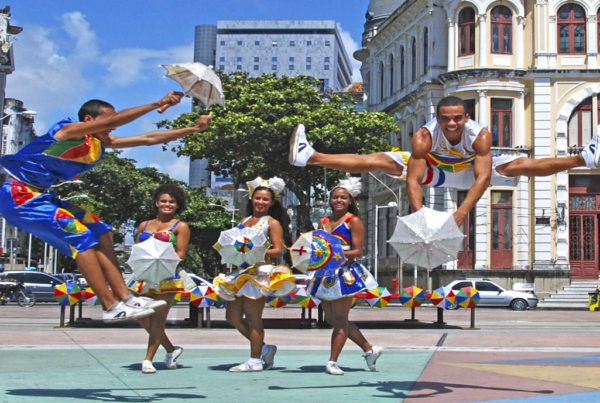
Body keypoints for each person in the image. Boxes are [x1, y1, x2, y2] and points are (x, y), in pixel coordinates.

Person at [0, 92, 212, 322]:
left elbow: (149, 138)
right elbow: (112, 122)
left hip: (40, 195)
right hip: (18, 196)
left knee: (102, 231)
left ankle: (127, 298)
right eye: (109, 121)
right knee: (80, 236)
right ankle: (110, 306)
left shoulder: (99, 143)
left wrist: (193, 129)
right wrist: (157, 104)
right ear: (89, 120)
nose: (112, 128)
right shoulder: (66, 131)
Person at [289, 96, 598, 227]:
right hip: (435, 171)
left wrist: (462, 212)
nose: (451, 125)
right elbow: (413, 178)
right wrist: (420, 214)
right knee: (380, 160)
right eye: (446, 119)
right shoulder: (424, 137)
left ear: (467, 118)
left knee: (518, 165)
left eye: (457, 119)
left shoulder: (480, 136)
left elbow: (482, 179)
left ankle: (585, 157)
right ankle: (310, 157)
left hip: (468, 172)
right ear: (437, 119)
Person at [213, 176, 296, 372]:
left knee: (253, 318)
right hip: (240, 273)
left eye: (265, 199)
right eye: (257, 198)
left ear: (272, 202)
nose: (260, 202)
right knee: (232, 317)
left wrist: (254, 251)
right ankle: (265, 348)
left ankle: (255, 361)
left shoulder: (272, 223)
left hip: (258, 274)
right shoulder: (244, 220)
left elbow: (278, 250)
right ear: (251, 198)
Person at [310, 177, 383, 375]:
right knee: (331, 319)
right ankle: (369, 349)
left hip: (344, 275)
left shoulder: (354, 221)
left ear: (350, 200)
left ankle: (332, 362)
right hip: (325, 274)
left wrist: (336, 255)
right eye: (335, 197)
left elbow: (357, 251)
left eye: (343, 197)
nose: (339, 200)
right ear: (330, 199)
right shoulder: (324, 221)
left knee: (341, 319)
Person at [128, 184, 192, 374]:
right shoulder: (144, 225)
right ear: (156, 202)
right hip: (144, 276)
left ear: (177, 204)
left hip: (168, 277)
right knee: (139, 315)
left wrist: (161, 257)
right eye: (163, 201)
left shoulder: (180, 226)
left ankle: (148, 359)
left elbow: (180, 253)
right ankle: (171, 349)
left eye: (171, 202)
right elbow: (137, 250)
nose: (167, 204)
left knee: (158, 319)